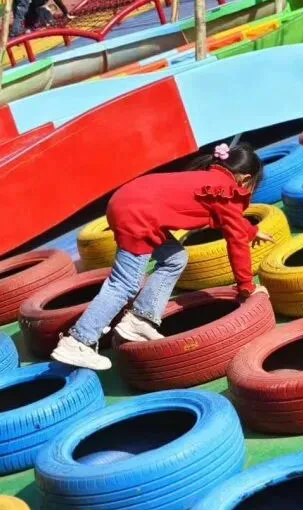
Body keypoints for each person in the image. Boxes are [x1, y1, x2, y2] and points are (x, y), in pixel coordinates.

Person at [51, 143, 274, 371]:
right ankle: (79, 341)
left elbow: (231, 223)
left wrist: (251, 231)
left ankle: (140, 319)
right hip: (139, 215)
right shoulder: (226, 190)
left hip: (126, 202)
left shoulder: (210, 179)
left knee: (174, 259)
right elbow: (236, 242)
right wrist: (246, 286)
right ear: (246, 179)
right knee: (124, 284)